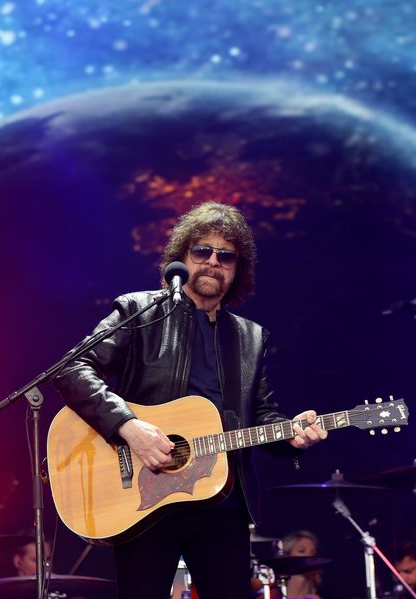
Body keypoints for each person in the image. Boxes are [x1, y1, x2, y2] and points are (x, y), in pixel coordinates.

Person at [53, 201, 328, 599]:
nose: (213, 262)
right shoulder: (139, 311)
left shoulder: (251, 338)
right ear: (181, 258)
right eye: (202, 251)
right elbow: (72, 369)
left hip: (221, 505)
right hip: (144, 502)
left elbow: (262, 416)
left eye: (226, 256)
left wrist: (292, 436)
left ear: (238, 270)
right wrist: (129, 427)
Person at [280, 530, 323, 599]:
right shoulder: (271, 593)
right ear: (287, 555)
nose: (309, 556)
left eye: (313, 552)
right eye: (301, 551)